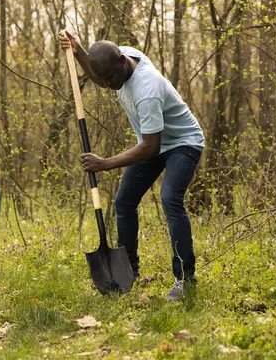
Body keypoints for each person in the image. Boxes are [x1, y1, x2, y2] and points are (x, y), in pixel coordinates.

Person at [59, 31, 205, 301]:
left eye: (109, 79)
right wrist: (78, 50)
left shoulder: (146, 89)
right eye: (102, 80)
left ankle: (186, 279)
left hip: (182, 142)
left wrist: (105, 164)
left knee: (170, 198)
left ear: (122, 62)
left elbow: (150, 146)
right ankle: (129, 271)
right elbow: (99, 74)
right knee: (124, 202)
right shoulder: (118, 60)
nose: (106, 86)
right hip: (153, 142)